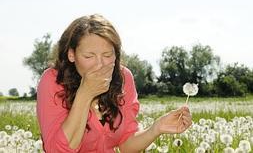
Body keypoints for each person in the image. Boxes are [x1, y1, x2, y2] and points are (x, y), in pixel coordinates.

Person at [36, 14, 192, 153]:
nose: (100, 65)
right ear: (71, 54)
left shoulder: (124, 78)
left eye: (107, 55)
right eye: (89, 56)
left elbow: (126, 144)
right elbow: (57, 150)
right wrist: (85, 94)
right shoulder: (53, 81)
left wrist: (156, 128)